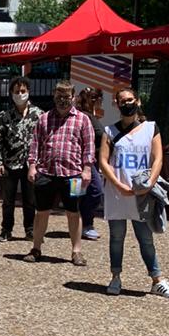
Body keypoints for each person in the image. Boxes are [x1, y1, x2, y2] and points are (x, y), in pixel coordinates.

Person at [100, 86, 169, 298]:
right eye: (122, 101)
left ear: (138, 101)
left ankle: (157, 279)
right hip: (118, 192)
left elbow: (158, 158)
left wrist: (150, 183)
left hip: (142, 194)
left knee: (145, 237)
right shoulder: (109, 131)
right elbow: (103, 162)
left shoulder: (151, 128)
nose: (126, 104)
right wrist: (118, 185)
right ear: (117, 104)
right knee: (116, 237)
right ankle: (115, 276)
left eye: (130, 100)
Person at [25, 81, 95, 266]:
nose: (63, 100)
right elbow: (35, 144)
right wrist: (32, 166)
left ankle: (76, 251)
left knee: (74, 212)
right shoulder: (44, 118)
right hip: (46, 173)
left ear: (73, 98)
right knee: (41, 212)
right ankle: (36, 248)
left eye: (66, 97)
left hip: (73, 174)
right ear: (54, 97)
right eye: (59, 96)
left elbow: (88, 146)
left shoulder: (83, 119)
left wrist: (87, 169)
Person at [0, 78, 40, 242]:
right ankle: (6, 229)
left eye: (22, 91)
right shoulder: (4, 116)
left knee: (30, 200)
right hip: (9, 164)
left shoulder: (39, 114)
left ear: (28, 92)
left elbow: (42, 139)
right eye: (16, 92)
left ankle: (30, 229)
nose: (20, 94)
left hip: (30, 164)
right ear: (11, 94)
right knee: (8, 200)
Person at [76, 88, 106, 240]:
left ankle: (83, 224)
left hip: (92, 161)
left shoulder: (91, 116)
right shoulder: (85, 117)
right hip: (83, 161)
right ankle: (85, 224)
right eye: (99, 98)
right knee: (95, 191)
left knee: (82, 193)